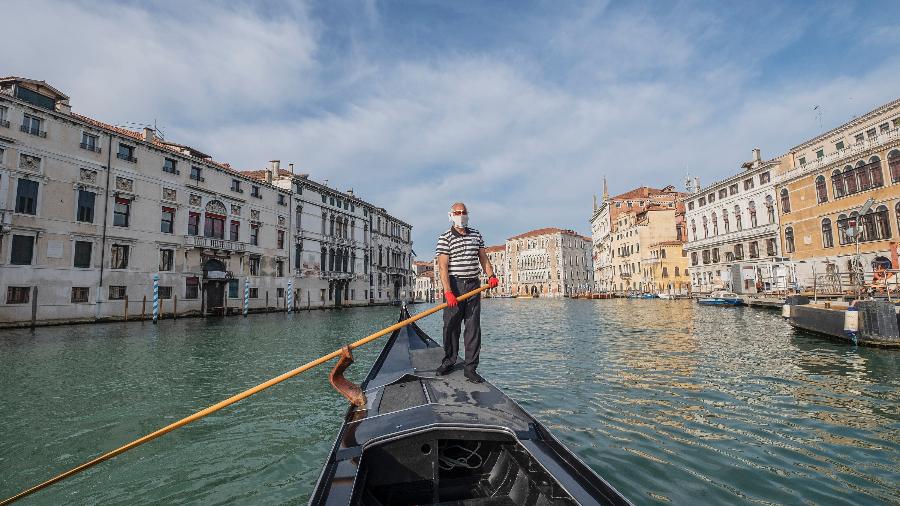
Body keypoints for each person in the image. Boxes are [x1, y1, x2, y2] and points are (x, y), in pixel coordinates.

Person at [435, 202, 498, 383]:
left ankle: (470, 368)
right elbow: (442, 267)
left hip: (474, 286)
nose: (461, 215)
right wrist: (448, 292)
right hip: (454, 285)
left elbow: (483, 259)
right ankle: (449, 361)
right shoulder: (445, 237)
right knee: (450, 326)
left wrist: (491, 275)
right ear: (451, 215)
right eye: (457, 212)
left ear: (467, 214)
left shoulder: (476, 235)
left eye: (463, 212)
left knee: (472, 328)